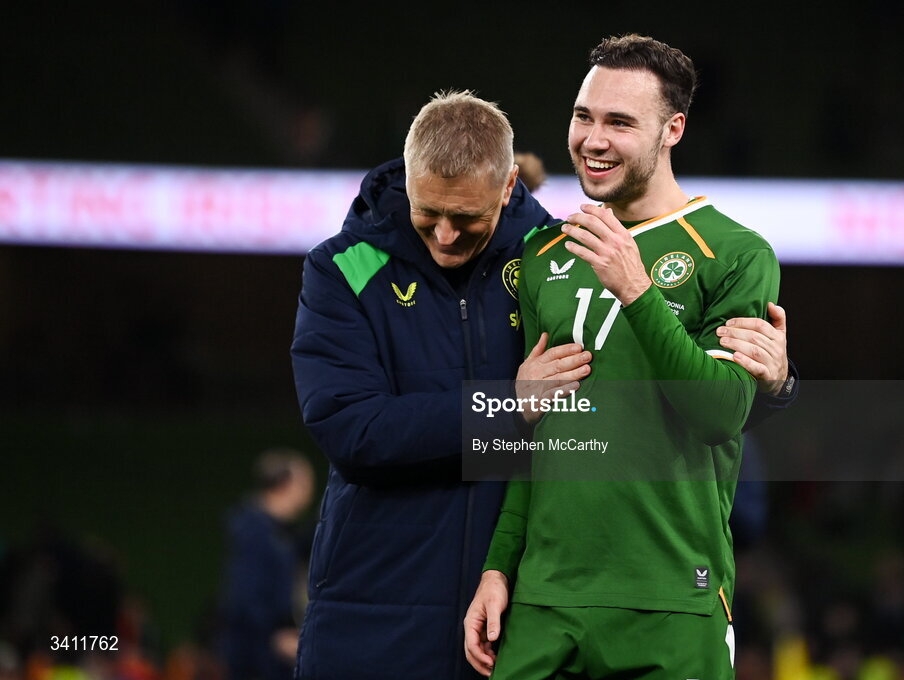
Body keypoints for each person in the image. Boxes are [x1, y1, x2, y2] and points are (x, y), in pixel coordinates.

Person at [291, 91, 794, 680]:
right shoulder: (342, 269)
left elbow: (645, 395)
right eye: (428, 214)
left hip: (518, 613)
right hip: (378, 607)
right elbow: (352, 430)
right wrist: (507, 407)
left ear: (506, 190)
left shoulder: (556, 255)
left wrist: (774, 383)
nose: (446, 237)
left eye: (467, 220)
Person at [465, 35, 782, 680]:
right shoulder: (543, 253)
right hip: (544, 600)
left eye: (619, 122)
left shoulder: (736, 253)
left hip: (671, 598)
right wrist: (500, 565)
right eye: (584, 116)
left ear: (673, 129)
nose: (592, 139)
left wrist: (637, 290)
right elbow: (536, 436)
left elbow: (720, 413)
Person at [220, 448, 314, 680]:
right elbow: (246, 599)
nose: (310, 490)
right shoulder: (257, 534)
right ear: (285, 484)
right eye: (304, 482)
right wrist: (275, 637)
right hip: (258, 659)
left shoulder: (281, 535)